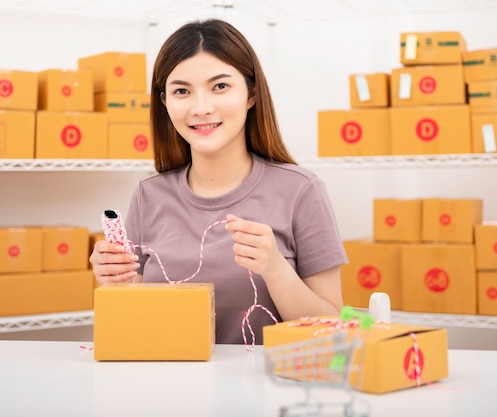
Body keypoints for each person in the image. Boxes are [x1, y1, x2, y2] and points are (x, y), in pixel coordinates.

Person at [90, 18, 347, 345]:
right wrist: (112, 284)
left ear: (251, 95)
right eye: (182, 91)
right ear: (165, 103)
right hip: (169, 387)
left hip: (267, 390)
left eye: (220, 86)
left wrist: (275, 269)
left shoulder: (301, 190)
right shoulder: (148, 194)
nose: (201, 108)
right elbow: (132, 324)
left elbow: (334, 329)